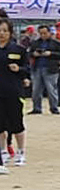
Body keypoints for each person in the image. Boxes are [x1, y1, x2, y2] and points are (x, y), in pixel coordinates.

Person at [0, 18, 27, 167]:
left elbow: (27, 69)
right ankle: (2, 152)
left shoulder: (18, 50)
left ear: (10, 33)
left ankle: (21, 152)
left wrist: (20, 70)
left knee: (17, 124)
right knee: (0, 125)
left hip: (13, 91)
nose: (1, 34)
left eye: (5, 31)